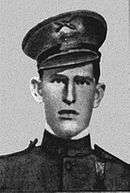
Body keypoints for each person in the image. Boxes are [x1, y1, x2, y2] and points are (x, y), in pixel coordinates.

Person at [0, 10, 129, 192]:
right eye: (58, 81)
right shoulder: (5, 174)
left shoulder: (123, 177)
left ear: (97, 94)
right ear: (38, 90)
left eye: (82, 82)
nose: (69, 97)